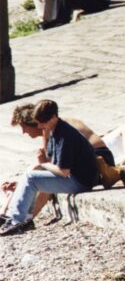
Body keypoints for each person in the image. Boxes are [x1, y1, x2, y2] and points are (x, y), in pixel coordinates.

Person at [0, 100, 100, 236]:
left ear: (53, 117)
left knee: (31, 178)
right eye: (38, 121)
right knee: (31, 177)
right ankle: (22, 218)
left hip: (81, 181)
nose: (40, 125)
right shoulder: (55, 130)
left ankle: (17, 220)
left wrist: (43, 164)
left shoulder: (64, 135)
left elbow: (63, 172)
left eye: (42, 121)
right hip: (77, 177)